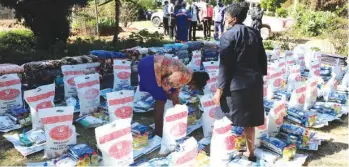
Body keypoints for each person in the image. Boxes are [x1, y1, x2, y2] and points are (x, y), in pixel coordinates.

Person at [213, 2, 267, 162]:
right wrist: (259, 76)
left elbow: (225, 66)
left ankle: (223, 149)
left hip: (235, 85)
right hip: (254, 83)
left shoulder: (228, 35)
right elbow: (262, 59)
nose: (224, 19)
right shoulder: (254, 33)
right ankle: (250, 152)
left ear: (233, 19)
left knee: (223, 115)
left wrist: (219, 90)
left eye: (226, 17)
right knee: (249, 121)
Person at [138, 55, 209, 137]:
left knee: (166, 94)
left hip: (150, 61)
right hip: (150, 66)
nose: (192, 89)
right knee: (161, 100)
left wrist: (181, 111)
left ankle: (160, 125)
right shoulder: (184, 76)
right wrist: (167, 93)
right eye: (195, 87)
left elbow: (175, 95)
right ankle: (158, 131)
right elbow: (165, 82)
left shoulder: (187, 75)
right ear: (194, 82)